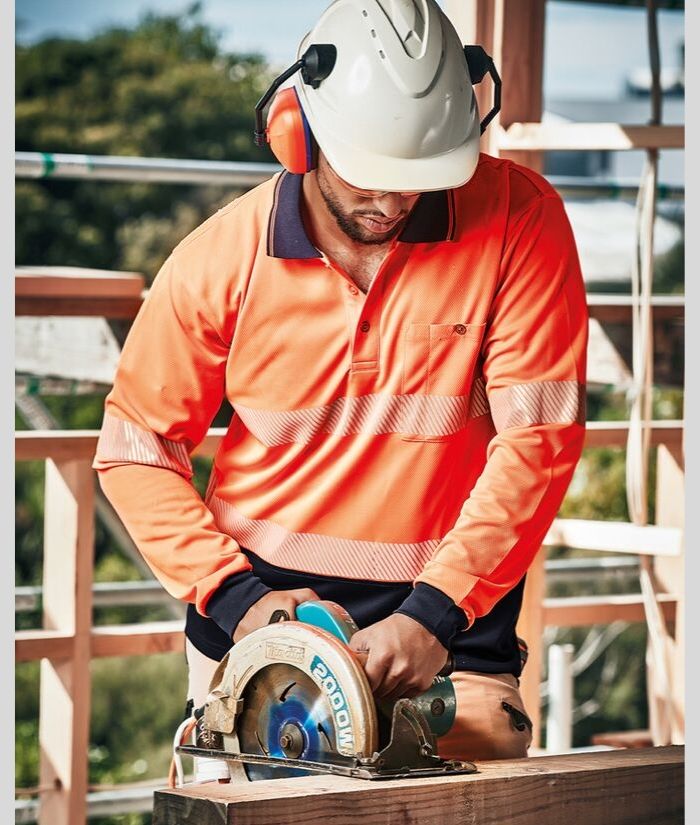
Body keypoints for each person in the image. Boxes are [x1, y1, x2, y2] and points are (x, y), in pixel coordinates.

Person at [93, 0, 588, 771]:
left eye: (418, 179)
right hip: (264, 621)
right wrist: (239, 602)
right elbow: (136, 448)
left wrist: (435, 611)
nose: (391, 203)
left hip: (451, 620)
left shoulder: (522, 221)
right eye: (370, 174)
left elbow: (539, 439)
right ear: (299, 131)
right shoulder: (217, 259)